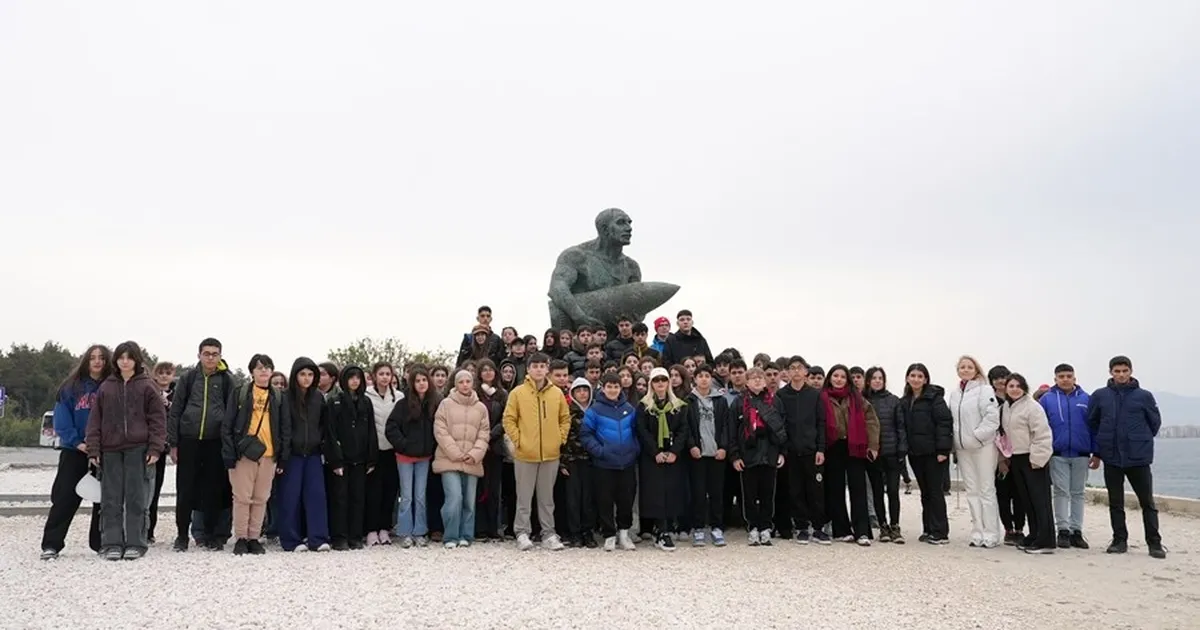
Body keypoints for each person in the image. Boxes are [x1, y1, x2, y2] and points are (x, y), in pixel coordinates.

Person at [85, 341, 167, 561]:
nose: (125, 361)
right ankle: (111, 542)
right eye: (121, 357)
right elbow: (95, 421)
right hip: (110, 450)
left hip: (138, 449)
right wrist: (93, 449)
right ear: (116, 360)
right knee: (110, 499)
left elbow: (158, 421)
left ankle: (136, 542)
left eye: (129, 357)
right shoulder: (106, 386)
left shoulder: (148, 386)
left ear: (136, 360)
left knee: (136, 498)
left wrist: (155, 448)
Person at [1086, 355, 1165, 559]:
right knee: (1115, 502)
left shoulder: (1144, 396)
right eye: (1117, 371)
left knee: (1147, 502)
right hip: (1112, 457)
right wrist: (1102, 444)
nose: (1121, 375)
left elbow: (1154, 423)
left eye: (1124, 371)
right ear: (1111, 372)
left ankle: (1154, 543)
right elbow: (1093, 422)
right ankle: (1119, 540)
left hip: (1138, 458)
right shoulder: (1100, 396)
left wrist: (1141, 439)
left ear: (1130, 371)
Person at [40, 345, 110, 560]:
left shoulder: (112, 386)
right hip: (75, 450)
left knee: (104, 499)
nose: (97, 362)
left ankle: (100, 543)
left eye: (101, 358)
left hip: (105, 452)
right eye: (92, 358)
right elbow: (62, 419)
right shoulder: (71, 387)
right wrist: (77, 442)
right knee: (64, 498)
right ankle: (51, 544)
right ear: (86, 361)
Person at [168, 337, 236, 552]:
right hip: (189, 440)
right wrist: (173, 443)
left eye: (214, 354)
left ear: (220, 356)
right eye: (206, 353)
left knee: (213, 489)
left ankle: (211, 534)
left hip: (215, 442)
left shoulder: (227, 380)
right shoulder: (188, 378)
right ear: (199, 355)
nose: (210, 358)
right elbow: (175, 411)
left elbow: (234, 413)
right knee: (185, 489)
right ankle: (181, 536)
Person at [222, 354, 291, 556]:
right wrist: (229, 452)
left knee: (261, 498)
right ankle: (241, 537)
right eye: (259, 367)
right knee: (242, 497)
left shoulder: (278, 397)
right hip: (244, 454)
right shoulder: (240, 393)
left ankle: (254, 537)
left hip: (269, 454)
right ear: (252, 371)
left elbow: (285, 427)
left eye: (267, 367)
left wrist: (283, 456)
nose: (263, 371)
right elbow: (227, 424)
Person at [502, 352, 571, 551]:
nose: (539, 369)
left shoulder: (556, 393)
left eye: (543, 366)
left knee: (547, 498)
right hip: (525, 454)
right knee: (523, 496)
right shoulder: (518, 393)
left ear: (547, 369)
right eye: (535, 366)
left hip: (550, 454)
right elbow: (509, 419)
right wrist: (519, 440)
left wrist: (560, 438)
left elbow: (564, 419)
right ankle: (522, 532)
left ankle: (548, 533)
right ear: (529, 369)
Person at [277, 357, 331, 552]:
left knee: (316, 496)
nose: (306, 378)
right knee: (290, 497)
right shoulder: (284, 397)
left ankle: (318, 538)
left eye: (310, 374)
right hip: (292, 455)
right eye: (302, 374)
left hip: (314, 454)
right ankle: (291, 540)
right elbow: (282, 428)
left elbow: (323, 426)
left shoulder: (318, 397)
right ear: (295, 376)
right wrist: (282, 455)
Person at [821, 365, 880, 546]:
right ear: (830, 378)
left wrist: (873, 445)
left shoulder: (857, 398)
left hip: (854, 446)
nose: (839, 379)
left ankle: (862, 530)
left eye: (842, 377)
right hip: (833, 446)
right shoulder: (822, 398)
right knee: (835, 488)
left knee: (858, 488)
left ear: (847, 380)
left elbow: (871, 421)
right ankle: (842, 530)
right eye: (835, 376)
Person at [580, 374, 640, 552]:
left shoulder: (629, 409)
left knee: (626, 499)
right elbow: (585, 434)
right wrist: (600, 451)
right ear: (603, 388)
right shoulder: (595, 410)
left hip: (627, 463)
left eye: (616, 386)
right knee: (604, 500)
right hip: (604, 464)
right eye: (609, 386)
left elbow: (637, 432)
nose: (613, 390)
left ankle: (624, 533)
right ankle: (609, 535)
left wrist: (634, 450)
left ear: (620, 389)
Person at [774, 356, 830, 545]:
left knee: (816, 491)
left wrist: (821, 449)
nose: (796, 371)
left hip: (812, 450)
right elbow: (779, 424)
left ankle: (819, 528)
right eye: (792, 368)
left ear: (806, 371)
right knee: (795, 491)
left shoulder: (815, 395)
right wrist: (782, 449)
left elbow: (821, 423)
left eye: (800, 368)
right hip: (791, 451)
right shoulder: (782, 396)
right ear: (787, 372)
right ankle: (801, 527)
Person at [948, 355, 1002, 548]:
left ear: (976, 370)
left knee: (986, 489)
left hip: (983, 447)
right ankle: (977, 531)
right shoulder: (954, 394)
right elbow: (953, 421)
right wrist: (955, 443)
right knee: (971, 491)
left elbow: (992, 418)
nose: (965, 369)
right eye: (962, 367)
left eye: (969, 367)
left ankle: (991, 533)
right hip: (963, 450)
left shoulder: (985, 390)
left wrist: (977, 437)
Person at [433, 370, 491, 549]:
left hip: (471, 460)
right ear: (455, 384)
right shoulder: (445, 404)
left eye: (468, 381)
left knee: (468, 501)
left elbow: (484, 433)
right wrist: (455, 452)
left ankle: (466, 535)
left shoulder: (480, 408)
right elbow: (440, 429)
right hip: (449, 459)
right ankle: (450, 536)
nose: (465, 385)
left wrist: (474, 453)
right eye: (461, 382)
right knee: (454, 498)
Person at [730, 367, 787, 546]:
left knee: (767, 493)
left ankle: (765, 526)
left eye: (759, 378)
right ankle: (752, 526)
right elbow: (732, 431)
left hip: (769, 454)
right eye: (752, 378)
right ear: (746, 382)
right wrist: (735, 456)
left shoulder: (775, 401)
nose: (756, 381)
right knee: (749, 494)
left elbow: (782, 429)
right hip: (748, 455)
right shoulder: (739, 402)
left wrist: (782, 453)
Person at [897, 363, 953, 544]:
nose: (916, 379)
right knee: (925, 492)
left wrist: (943, 450)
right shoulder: (905, 401)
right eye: (912, 375)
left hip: (934, 453)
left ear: (926, 379)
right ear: (907, 378)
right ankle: (928, 528)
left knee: (935, 491)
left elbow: (944, 423)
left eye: (920, 376)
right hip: (915, 453)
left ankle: (940, 531)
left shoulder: (935, 398)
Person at [1039, 363, 1093, 550]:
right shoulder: (1047, 400)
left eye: (1069, 376)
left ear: (1074, 378)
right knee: (1061, 492)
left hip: (1081, 453)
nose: (1065, 379)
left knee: (1078, 493)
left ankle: (1076, 531)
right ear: (1055, 379)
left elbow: (1094, 426)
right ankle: (1062, 530)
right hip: (1057, 453)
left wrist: (1097, 453)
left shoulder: (1087, 399)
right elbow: (1040, 428)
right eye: (1061, 376)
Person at [1000, 373, 1056, 555]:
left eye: (1018, 386)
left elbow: (1042, 434)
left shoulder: (1033, 407)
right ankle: (1034, 534)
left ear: (1024, 387)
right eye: (1011, 386)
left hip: (1033, 458)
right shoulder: (1007, 407)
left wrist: (1038, 459)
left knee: (1041, 501)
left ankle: (1046, 540)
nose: (1014, 389)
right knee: (1027, 500)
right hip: (1016, 458)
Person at [636, 367, 689, 551]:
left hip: (673, 456)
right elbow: (642, 431)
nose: (660, 383)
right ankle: (660, 530)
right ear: (651, 383)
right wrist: (655, 452)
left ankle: (668, 525)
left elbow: (683, 430)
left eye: (663, 380)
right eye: (656, 380)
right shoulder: (644, 406)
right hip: (652, 457)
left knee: (671, 492)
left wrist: (674, 451)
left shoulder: (678, 406)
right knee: (655, 493)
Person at [386, 366, 439, 549]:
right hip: (405, 456)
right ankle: (405, 532)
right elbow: (391, 427)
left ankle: (420, 532)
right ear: (412, 383)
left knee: (420, 496)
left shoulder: (434, 402)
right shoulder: (403, 404)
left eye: (424, 380)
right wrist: (403, 444)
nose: (421, 383)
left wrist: (432, 446)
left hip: (425, 456)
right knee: (407, 496)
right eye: (417, 380)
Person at [326, 365, 377, 551]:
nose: (355, 381)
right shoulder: (334, 402)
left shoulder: (366, 402)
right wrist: (335, 460)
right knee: (340, 498)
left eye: (358, 378)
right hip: (342, 459)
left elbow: (372, 430)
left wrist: (372, 458)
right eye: (351, 377)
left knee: (358, 498)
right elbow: (330, 433)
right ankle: (339, 537)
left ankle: (356, 536)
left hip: (361, 458)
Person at [687, 365, 731, 547]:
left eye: (707, 376)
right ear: (695, 379)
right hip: (698, 454)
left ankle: (716, 527)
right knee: (698, 493)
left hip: (716, 454)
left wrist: (724, 447)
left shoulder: (720, 400)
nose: (704, 379)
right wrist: (691, 446)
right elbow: (686, 426)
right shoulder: (689, 400)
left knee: (716, 492)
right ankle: (698, 528)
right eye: (700, 376)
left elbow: (726, 426)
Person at [863, 367, 905, 544]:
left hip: (892, 452)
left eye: (880, 378)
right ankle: (883, 526)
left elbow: (901, 426)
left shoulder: (894, 400)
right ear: (869, 381)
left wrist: (902, 448)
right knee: (878, 491)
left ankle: (895, 525)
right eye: (874, 378)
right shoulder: (863, 400)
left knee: (893, 491)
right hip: (873, 454)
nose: (877, 381)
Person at [364, 362, 403, 546]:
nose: (385, 377)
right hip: (373, 450)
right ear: (374, 376)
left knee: (390, 491)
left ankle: (384, 529)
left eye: (388, 373)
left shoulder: (399, 397)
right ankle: (371, 530)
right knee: (373, 491)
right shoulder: (366, 396)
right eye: (381, 374)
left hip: (393, 450)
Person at [989, 365, 1026, 546]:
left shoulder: (1017, 400)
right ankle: (1008, 529)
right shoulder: (989, 401)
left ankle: (1020, 528)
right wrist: (1002, 459)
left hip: (1019, 453)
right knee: (1002, 494)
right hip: (998, 455)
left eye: (1003, 377)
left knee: (1020, 493)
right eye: (996, 378)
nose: (1000, 381)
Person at [560, 378, 597, 548]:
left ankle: (588, 532)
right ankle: (574, 532)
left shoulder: (595, 411)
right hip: (572, 461)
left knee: (588, 498)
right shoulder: (567, 411)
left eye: (585, 390)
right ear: (572, 393)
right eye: (578, 390)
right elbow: (562, 438)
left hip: (591, 461)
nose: (582, 393)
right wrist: (563, 462)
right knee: (573, 499)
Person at [474, 359, 508, 541]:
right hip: (476, 446)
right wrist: (481, 438)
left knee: (494, 489)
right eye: (484, 370)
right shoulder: (473, 393)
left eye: (491, 370)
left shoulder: (502, 394)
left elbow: (506, 418)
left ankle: (493, 528)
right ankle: (479, 528)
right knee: (480, 489)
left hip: (495, 447)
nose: (487, 373)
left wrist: (490, 436)